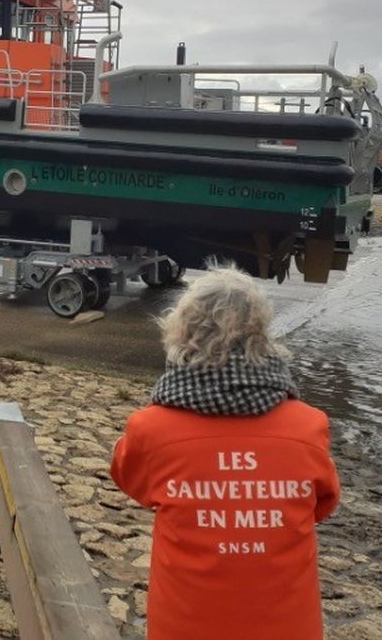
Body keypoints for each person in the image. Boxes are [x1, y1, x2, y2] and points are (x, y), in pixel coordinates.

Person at [109, 266, 339, 640]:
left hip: (183, 628)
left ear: (181, 334)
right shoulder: (308, 426)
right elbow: (323, 504)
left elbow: (131, 480)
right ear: (262, 335)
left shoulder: (150, 428)